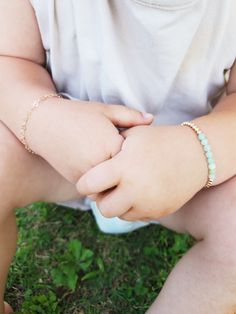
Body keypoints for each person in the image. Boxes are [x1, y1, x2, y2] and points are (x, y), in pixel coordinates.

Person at [0, 0, 236, 313]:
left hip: (191, 176)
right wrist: (43, 117)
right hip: (58, 157)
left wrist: (198, 151)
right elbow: (8, 59)